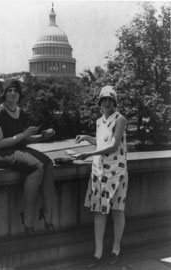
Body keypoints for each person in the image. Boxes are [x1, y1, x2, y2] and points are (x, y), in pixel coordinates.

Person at [0, 78, 55, 236]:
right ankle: (27, 215)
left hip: (15, 149)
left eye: (16, 91)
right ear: (4, 93)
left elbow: (23, 139)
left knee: (48, 163)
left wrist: (42, 137)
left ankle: (48, 212)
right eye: (10, 90)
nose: (13, 93)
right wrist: (24, 134)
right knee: (37, 167)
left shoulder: (20, 112)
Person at [75, 85, 128, 268]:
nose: (107, 102)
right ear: (100, 102)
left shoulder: (120, 119)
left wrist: (88, 155)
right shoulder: (99, 121)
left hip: (117, 171)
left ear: (115, 102)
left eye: (110, 99)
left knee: (117, 210)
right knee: (99, 212)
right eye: (104, 99)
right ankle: (97, 254)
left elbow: (113, 145)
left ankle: (115, 250)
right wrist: (86, 138)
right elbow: (100, 142)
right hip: (100, 172)